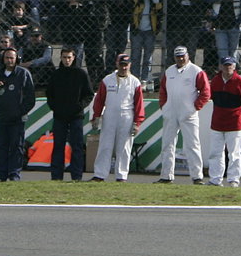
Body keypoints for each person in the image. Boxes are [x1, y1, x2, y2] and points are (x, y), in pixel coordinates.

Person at [156, 46, 210, 184]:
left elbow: (205, 92)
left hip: (188, 113)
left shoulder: (196, 71)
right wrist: (164, 106)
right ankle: (166, 176)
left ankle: (197, 177)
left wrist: (194, 107)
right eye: (177, 56)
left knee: (192, 144)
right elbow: (163, 91)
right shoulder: (169, 71)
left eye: (182, 56)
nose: (180, 59)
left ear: (188, 55)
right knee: (167, 143)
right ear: (174, 57)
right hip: (171, 112)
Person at [90, 53, 145, 182]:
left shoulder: (135, 82)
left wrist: (138, 122)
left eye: (126, 65)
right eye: (121, 65)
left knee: (124, 146)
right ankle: (100, 174)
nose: (124, 68)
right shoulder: (107, 80)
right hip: (109, 115)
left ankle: (121, 176)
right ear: (117, 64)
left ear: (130, 65)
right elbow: (99, 100)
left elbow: (139, 105)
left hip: (127, 115)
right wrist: (96, 116)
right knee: (105, 145)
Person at [45, 46, 94, 181]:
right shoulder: (56, 74)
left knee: (77, 146)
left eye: (69, 57)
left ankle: (76, 176)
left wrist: (79, 106)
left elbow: (89, 94)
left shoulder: (81, 74)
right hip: (60, 116)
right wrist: (55, 107)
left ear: (74, 58)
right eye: (64, 57)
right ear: (60, 58)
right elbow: (49, 94)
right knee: (58, 146)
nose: (67, 60)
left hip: (76, 116)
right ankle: (56, 176)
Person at [0, 47, 35, 181]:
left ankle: (14, 174)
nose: (9, 61)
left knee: (16, 147)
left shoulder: (23, 74)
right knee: (1, 146)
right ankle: (1, 175)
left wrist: (20, 112)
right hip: (1, 117)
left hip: (17, 119)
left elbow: (30, 97)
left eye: (12, 58)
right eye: (7, 58)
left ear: (17, 59)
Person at [205, 56, 241, 186]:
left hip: (235, 123)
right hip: (217, 122)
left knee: (235, 154)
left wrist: (239, 115)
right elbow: (213, 98)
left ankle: (233, 179)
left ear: (234, 66)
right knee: (215, 153)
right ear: (221, 67)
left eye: (230, 65)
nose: (228, 68)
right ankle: (215, 179)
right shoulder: (215, 81)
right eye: (225, 65)